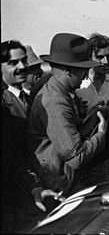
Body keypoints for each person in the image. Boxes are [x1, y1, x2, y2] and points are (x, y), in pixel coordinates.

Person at [27, 33, 108, 196]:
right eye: (83, 71)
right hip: (61, 189)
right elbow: (76, 157)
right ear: (68, 71)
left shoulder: (61, 92)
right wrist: (101, 133)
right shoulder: (55, 101)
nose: (86, 76)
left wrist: (92, 118)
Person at [1, 41, 64, 232]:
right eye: (13, 63)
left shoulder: (26, 98)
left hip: (30, 188)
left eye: (23, 61)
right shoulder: (4, 104)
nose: (22, 67)